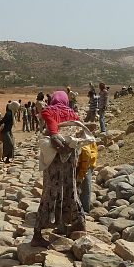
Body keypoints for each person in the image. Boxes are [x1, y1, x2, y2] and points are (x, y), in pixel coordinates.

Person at [31, 91, 87, 247]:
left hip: (54, 162)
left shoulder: (49, 110)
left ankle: (37, 234)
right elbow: (79, 131)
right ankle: (78, 223)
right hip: (69, 159)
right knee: (71, 189)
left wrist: (54, 134)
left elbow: (50, 123)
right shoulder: (72, 113)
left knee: (50, 192)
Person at [77, 140, 98, 212]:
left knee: (85, 186)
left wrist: (81, 174)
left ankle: (85, 210)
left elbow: (86, 155)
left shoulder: (83, 145)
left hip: (87, 163)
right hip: (84, 161)